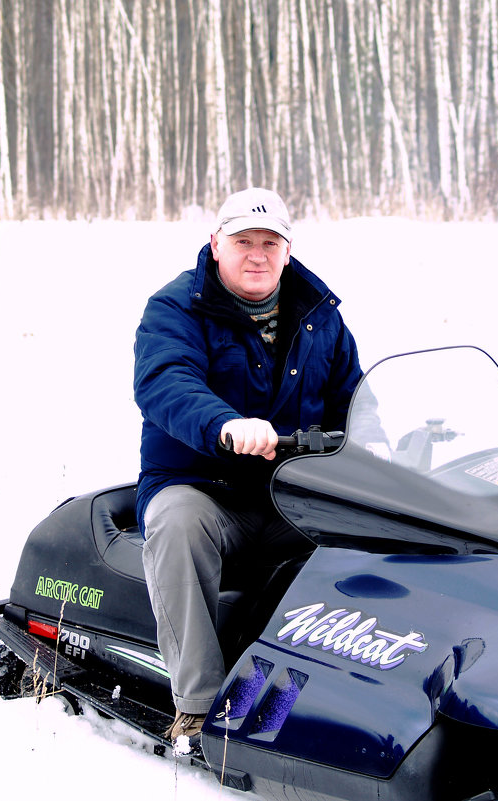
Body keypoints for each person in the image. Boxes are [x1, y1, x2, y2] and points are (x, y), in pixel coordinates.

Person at [132, 187, 363, 744]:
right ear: (216, 245)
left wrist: (407, 437)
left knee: (374, 536)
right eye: (242, 241)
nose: (257, 254)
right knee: (177, 524)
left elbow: (354, 402)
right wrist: (224, 424)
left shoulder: (319, 316)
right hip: (202, 488)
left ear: (287, 250)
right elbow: (166, 381)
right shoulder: (175, 307)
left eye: (270, 242)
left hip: (293, 496)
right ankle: (199, 706)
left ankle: (336, 693)